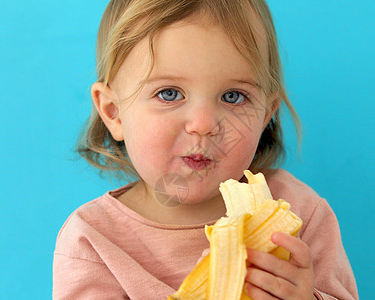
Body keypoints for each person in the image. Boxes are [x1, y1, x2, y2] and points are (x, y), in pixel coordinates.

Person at [53, 0, 358, 299]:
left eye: (233, 97)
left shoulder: (300, 213)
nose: (203, 124)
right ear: (114, 112)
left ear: (266, 115)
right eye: (169, 93)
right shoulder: (93, 240)